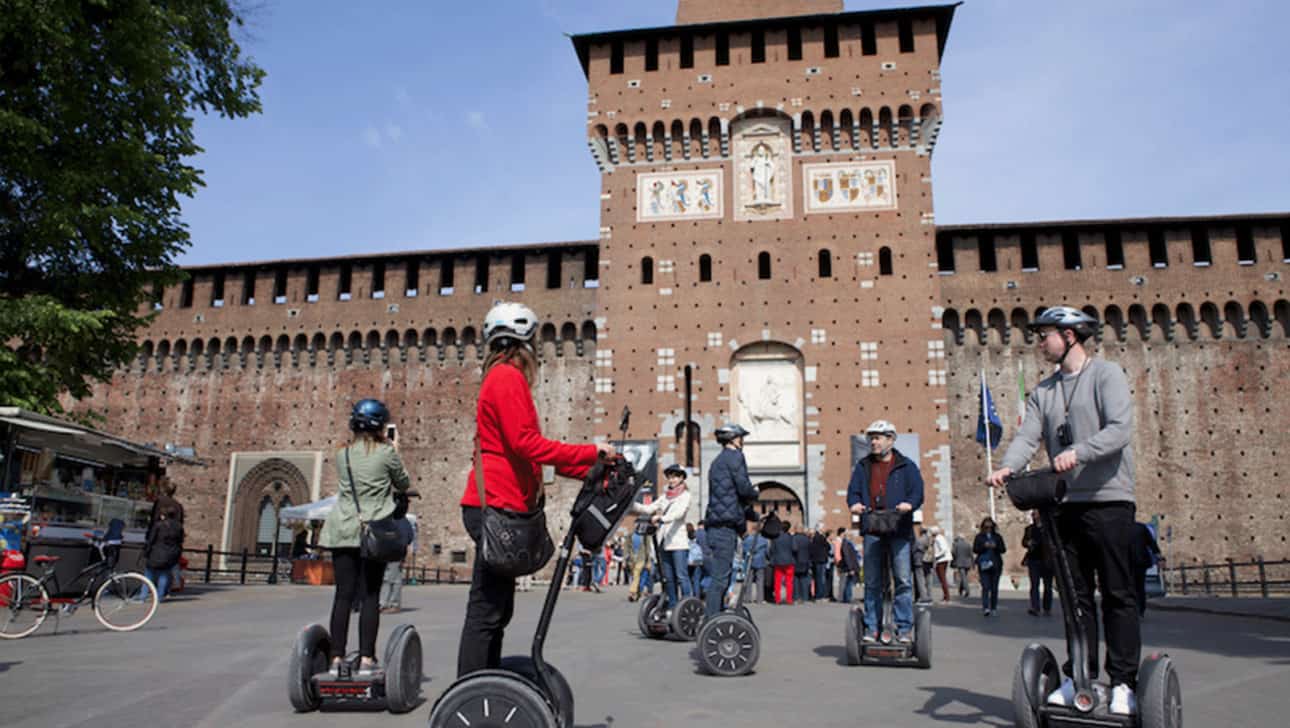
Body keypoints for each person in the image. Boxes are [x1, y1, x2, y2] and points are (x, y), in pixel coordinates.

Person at [988, 305, 1141, 716]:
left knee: (1117, 594)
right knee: (1076, 598)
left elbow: (1119, 430)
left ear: (1071, 335)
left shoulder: (1106, 375)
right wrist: (1008, 466)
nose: (1040, 341)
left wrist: (1079, 452)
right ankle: (1080, 677)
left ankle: (1124, 681)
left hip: (1109, 499)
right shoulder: (1043, 391)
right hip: (1065, 506)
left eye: (1046, 334)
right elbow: (1027, 437)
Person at [456, 302, 611, 677]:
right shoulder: (507, 378)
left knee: (496, 609)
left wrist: (593, 469)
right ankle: (471, 695)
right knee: (487, 610)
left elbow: (528, 456)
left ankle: (483, 685)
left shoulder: (502, 378)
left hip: (500, 503)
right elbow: (526, 443)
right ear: (523, 343)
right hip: (496, 506)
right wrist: (591, 452)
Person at [318, 398, 410, 676]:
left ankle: (335, 658)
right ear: (380, 425)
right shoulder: (386, 454)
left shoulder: (341, 454)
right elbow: (403, 482)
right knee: (370, 596)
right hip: (374, 531)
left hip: (342, 528)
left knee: (343, 596)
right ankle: (367, 659)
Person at [846, 419, 924, 644]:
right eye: (871, 438)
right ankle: (872, 627)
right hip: (873, 526)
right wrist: (854, 504)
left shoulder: (906, 466)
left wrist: (909, 504)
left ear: (891, 439)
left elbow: (917, 492)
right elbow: (853, 492)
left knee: (902, 579)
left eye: (878, 437)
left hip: (898, 527)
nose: (873, 442)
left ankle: (904, 627)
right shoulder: (863, 466)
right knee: (872, 581)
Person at [702, 423, 758, 616]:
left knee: (720, 577)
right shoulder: (735, 457)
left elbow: (729, 496)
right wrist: (754, 494)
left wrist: (751, 514)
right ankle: (711, 620)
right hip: (724, 528)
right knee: (720, 578)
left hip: (716, 525)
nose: (742, 441)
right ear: (734, 439)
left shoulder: (717, 461)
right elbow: (743, 488)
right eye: (741, 437)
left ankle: (714, 615)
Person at [630, 464, 693, 609]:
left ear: (682, 478)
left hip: (678, 543)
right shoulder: (665, 497)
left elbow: (679, 514)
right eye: (670, 477)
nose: (672, 480)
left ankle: (687, 605)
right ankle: (672, 607)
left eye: (675, 476)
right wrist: (630, 503)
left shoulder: (685, 496)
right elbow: (648, 508)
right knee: (668, 579)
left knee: (681, 576)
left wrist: (661, 518)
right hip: (664, 543)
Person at [142, 505, 183, 601]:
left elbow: (151, 539)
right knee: (164, 575)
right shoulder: (178, 526)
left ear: (163, 515)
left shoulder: (159, 525)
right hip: (170, 554)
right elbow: (180, 541)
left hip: (156, 552)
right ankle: (159, 596)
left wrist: (146, 551)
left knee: (149, 574)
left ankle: (143, 596)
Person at [379, 516, 417, 614]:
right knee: (388, 579)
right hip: (388, 552)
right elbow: (409, 536)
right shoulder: (399, 519)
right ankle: (386, 603)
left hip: (394, 552)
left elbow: (407, 537)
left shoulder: (398, 519)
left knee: (393, 580)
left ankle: (392, 604)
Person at [1022, 511, 1054, 616]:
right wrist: (1028, 543)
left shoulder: (1049, 528)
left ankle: (1047, 607)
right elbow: (1024, 542)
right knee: (1034, 584)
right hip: (1033, 560)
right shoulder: (1029, 529)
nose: (1035, 516)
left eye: (1036, 514)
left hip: (1047, 560)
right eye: (1033, 514)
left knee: (1048, 586)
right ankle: (1035, 607)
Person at [973, 517, 1006, 616]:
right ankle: (986, 607)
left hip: (996, 564)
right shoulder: (979, 537)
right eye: (986, 527)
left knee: (994, 588)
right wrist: (984, 546)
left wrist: (996, 546)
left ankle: (994, 607)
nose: (988, 528)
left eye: (990, 526)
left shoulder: (997, 537)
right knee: (985, 587)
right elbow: (975, 549)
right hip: (984, 564)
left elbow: (1003, 549)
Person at [1132, 522, 1163, 618]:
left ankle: (1134, 608)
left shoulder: (1120, 528)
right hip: (1141, 562)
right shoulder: (1141, 528)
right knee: (1140, 586)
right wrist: (1159, 557)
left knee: (1130, 586)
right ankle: (1140, 609)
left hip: (1128, 562)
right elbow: (1152, 543)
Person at [742, 520, 769, 604]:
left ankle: (747, 598)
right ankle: (759, 599)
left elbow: (744, 551)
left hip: (750, 560)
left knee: (748, 580)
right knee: (760, 580)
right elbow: (767, 552)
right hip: (760, 561)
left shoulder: (747, 540)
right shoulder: (764, 540)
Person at [769, 520, 796, 604]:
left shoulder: (775, 537)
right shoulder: (790, 537)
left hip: (778, 561)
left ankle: (778, 599)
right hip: (789, 561)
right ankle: (789, 599)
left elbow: (771, 549)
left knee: (777, 581)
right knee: (789, 581)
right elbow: (795, 548)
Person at [809, 523, 831, 602]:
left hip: (817, 560)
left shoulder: (815, 537)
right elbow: (828, 546)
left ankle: (818, 595)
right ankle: (820, 596)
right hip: (821, 560)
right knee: (820, 579)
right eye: (823, 527)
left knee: (818, 578)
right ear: (820, 528)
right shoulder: (820, 537)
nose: (824, 529)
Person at [839, 529, 861, 604]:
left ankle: (847, 597)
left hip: (850, 565)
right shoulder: (846, 543)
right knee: (849, 582)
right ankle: (848, 597)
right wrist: (851, 568)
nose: (853, 537)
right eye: (851, 536)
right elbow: (847, 556)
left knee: (849, 582)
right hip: (849, 566)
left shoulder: (848, 543)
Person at [930, 525, 952, 602]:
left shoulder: (939, 539)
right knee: (942, 578)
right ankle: (945, 596)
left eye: (931, 532)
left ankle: (947, 596)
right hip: (942, 559)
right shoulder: (939, 538)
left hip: (942, 560)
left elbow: (944, 549)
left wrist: (936, 555)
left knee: (942, 578)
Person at [792, 523, 812, 604]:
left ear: (796, 529)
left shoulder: (794, 538)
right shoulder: (807, 539)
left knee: (796, 580)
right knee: (804, 580)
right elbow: (810, 550)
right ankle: (805, 597)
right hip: (805, 561)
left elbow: (794, 549)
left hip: (796, 561)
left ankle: (796, 597)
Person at [912, 524, 932, 604]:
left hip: (919, 561)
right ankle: (928, 595)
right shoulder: (929, 539)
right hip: (927, 561)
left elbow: (914, 550)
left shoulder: (919, 540)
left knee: (919, 580)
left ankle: (923, 597)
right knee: (928, 579)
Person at [951, 534, 974, 598]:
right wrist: (973, 563)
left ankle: (967, 590)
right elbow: (971, 554)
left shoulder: (956, 544)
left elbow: (953, 553)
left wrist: (954, 561)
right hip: (968, 563)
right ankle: (960, 590)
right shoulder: (968, 544)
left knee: (963, 577)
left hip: (960, 563)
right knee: (964, 576)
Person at [686, 523, 704, 598]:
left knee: (688, 579)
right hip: (698, 561)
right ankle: (697, 597)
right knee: (696, 580)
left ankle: (690, 596)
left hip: (689, 562)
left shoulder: (684, 539)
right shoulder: (696, 537)